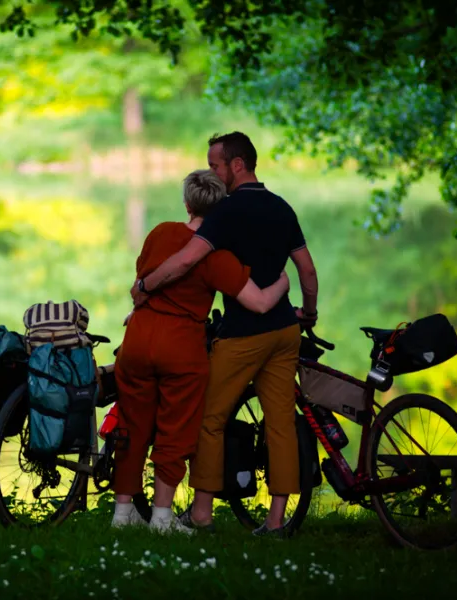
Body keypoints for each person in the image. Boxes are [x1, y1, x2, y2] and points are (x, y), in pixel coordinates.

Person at [130, 132, 319, 536]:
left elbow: (184, 262)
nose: (212, 172)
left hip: (242, 335)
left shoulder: (225, 213)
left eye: (215, 164)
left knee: (207, 418)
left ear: (237, 165)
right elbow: (307, 270)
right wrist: (309, 313)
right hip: (286, 330)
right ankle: (274, 521)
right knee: (280, 423)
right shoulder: (282, 207)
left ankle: (201, 513)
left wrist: (144, 288)